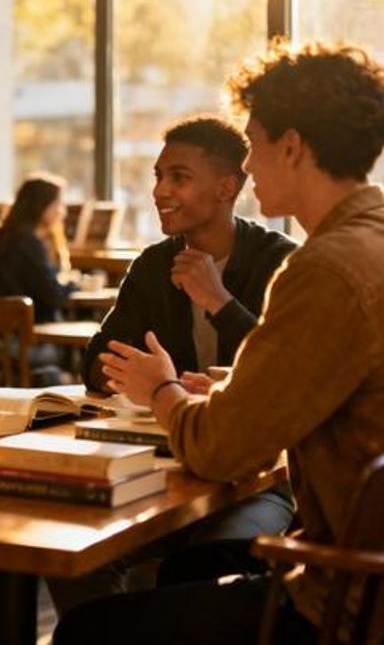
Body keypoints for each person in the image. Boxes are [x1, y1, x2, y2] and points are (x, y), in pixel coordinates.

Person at [55, 40, 384, 644]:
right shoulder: (371, 243)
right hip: (354, 577)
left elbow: (217, 450)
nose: (251, 165)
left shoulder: (323, 269)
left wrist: (162, 390)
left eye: (255, 144)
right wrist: (238, 383)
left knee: (86, 631)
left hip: (342, 604)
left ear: (292, 146)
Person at [77, 116, 297, 592]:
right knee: (81, 551)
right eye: (158, 176)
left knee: (203, 562)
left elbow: (284, 374)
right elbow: (96, 358)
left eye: (178, 176)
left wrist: (218, 302)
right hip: (166, 463)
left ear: (226, 187)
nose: (159, 190)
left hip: (260, 477)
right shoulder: (154, 264)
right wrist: (146, 380)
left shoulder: (281, 261)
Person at [0, 173, 77, 324]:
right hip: (19, 340)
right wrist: (76, 285)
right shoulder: (27, 242)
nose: (62, 211)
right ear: (41, 205)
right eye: (58, 203)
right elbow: (53, 295)